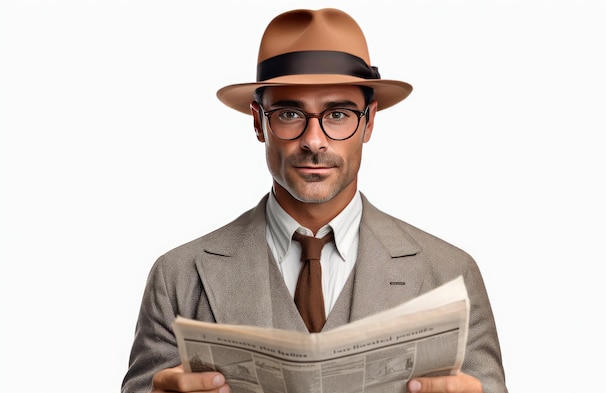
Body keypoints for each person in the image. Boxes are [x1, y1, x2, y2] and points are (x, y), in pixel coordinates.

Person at [122, 8, 507, 393]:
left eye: (337, 114)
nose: (314, 140)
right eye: (290, 113)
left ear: (369, 122)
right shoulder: (177, 276)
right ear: (258, 122)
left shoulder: (450, 274)